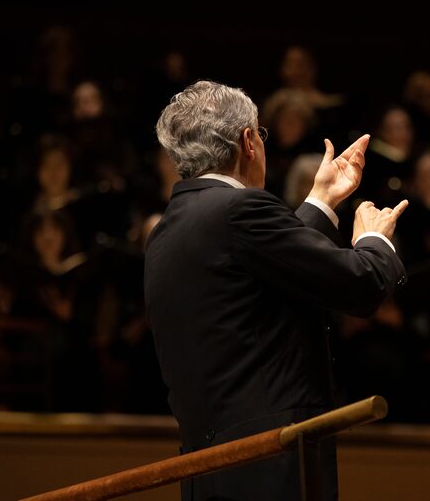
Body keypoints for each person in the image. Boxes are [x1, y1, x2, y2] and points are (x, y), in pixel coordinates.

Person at [144, 80, 408, 501]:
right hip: (270, 465)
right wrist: (375, 240)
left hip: (210, 470)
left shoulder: (169, 228)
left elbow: (270, 279)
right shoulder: (239, 209)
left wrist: (321, 199)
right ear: (249, 142)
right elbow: (362, 284)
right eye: (260, 134)